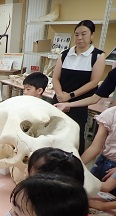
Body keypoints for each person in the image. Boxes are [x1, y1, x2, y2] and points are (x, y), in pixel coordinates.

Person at [51, 20, 106, 154]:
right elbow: (55, 78)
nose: (79, 38)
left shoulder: (98, 56)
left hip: (79, 104)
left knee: (74, 136)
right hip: (59, 99)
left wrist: (70, 97)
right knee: (52, 132)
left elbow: (93, 82)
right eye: (76, 34)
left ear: (92, 35)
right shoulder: (65, 54)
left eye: (84, 34)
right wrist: (61, 97)